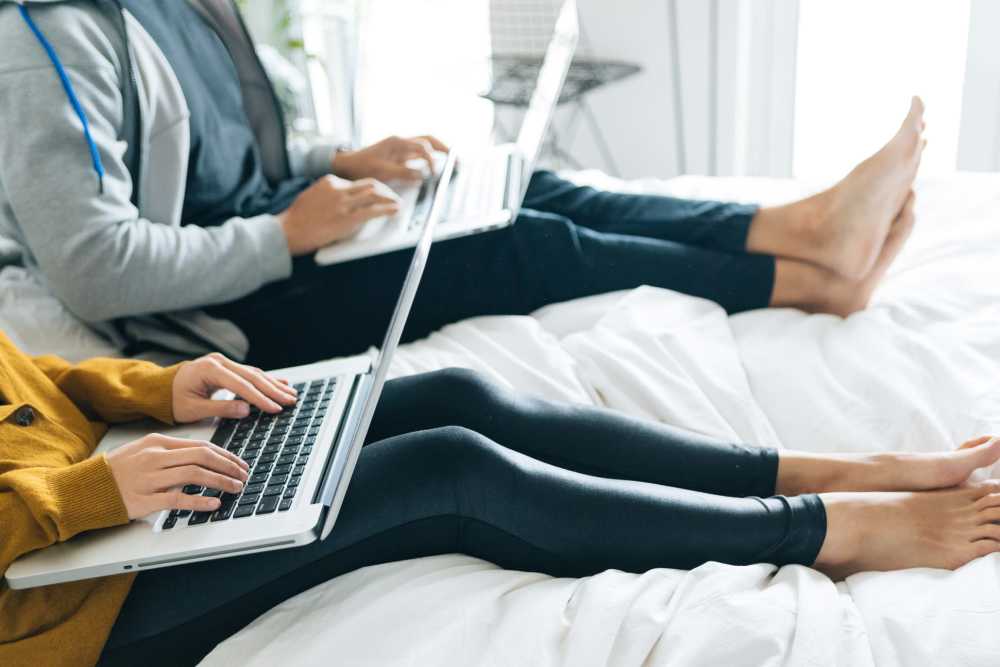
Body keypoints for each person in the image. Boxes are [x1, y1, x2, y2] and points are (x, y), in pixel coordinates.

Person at [0, 1, 924, 368]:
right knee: (521, 244)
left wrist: (339, 163)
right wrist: (287, 234)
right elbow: (95, 268)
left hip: (277, 232)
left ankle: (799, 227)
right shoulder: (43, 39)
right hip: (229, 308)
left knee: (518, 182)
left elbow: (228, 140)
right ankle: (808, 281)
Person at [2, 336, 1000, 666]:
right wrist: (87, 492)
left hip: (109, 498)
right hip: (70, 606)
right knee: (448, 467)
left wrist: (149, 390)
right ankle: (831, 529)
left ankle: (808, 469)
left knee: (458, 394)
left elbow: (27, 377)